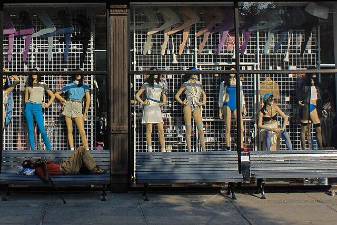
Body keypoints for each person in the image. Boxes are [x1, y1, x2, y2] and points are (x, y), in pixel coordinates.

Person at [55, 71, 90, 151]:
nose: (78, 75)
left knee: (82, 131)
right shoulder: (69, 85)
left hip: (78, 105)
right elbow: (57, 94)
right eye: (77, 73)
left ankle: (87, 149)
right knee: (70, 129)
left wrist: (85, 113)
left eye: (80, 73)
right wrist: (63, 100)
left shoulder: (85, 86)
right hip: (69, 105)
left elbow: (88, 100)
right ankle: (72, 149)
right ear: (74, 75)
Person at [135, 69, 167, 152]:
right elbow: (137, 95)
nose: (155, 74)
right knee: (149, 129)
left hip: (157, 107)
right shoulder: (146, 84)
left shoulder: (161, 84)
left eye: (157, 72)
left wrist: (163, 103)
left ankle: (163, 149)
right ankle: (150, 149)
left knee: (161, 129)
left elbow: (164, 97)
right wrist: (143, 102)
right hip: (149, 106)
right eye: (154, 72)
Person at [175, 67, 206, 152]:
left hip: (196, 105)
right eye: (195, 73)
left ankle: (204, 150)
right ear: (191, 74)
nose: (196, 75)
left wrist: (203, 102)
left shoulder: (199, 84)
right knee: (189, 128)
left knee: (200, 128)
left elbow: (204, 95)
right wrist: (182, 102)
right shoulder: (186, 84)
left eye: (197, 74)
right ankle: (189, 150)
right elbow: (177, 95)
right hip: (188, 105)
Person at [21, 146, 105, 177]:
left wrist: (44, 162)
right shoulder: (38, 170)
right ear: (30, 167)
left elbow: (51, 164)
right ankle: (95, 169)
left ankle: (92, 168)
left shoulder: (39, 164)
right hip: (65, 169)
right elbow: (46, 179)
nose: (32, 162)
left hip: (65, 165)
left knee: (82, 152)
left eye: (31, 161)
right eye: (30, 164)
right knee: (81, 149)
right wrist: (43, 166)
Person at [25, 69, 55, 151]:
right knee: (31, 130)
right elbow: (26, 99)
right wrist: (28, 103)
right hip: (29, 107)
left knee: (42, 129)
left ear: (38, 74)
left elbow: (53, 96)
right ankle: (33, 151)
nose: (34, 74)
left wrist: (47, 104)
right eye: (32, 73)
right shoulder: (28, 84)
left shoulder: (43, 84)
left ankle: (49, 149)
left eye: (35, 72)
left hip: (38, 107)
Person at [218, 70, 246, 150]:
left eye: (234, 70)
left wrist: (244, 106)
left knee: (240, 127)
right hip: (227, 104)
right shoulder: (223, 83)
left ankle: (240, 146)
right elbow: (221, 96)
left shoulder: (239, 82)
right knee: (228, 127)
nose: (232, 72)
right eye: (231, 70)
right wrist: (220, 109)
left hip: (237, 104)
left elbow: (241, 94)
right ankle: (228, 146)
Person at [298, 72, 323, 149]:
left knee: (318, 129)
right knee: (304, 130)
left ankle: (320, 148)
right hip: (307, 107)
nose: (313, 81)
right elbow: (299, 97)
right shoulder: (305, 86)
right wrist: (299, 101)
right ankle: (304, 149)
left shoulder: (316, 87)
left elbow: (319, 99)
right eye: (311, 79)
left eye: (314, 79)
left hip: (312, 107)